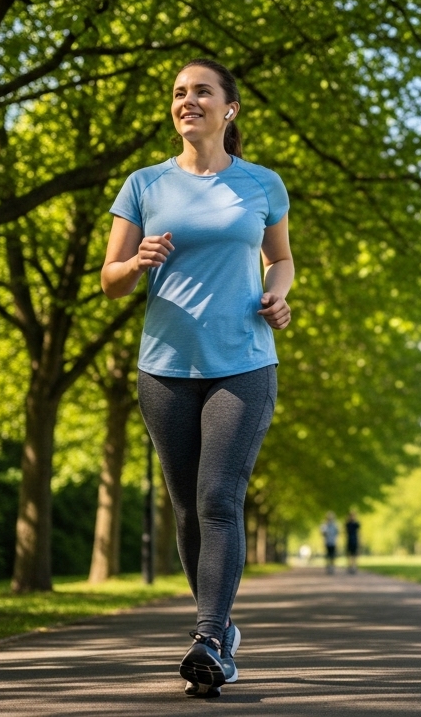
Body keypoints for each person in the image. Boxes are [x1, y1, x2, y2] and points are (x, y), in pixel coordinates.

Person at [100, 58, 293, 698]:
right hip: (165, 368)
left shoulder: (261, 183)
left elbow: (282, 259)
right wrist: (137, 261)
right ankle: (220, 629)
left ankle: (209, 639)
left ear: (228, 108)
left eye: (201, 91)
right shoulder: (144, 185)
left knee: (218, 498)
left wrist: (278, 295)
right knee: (186, 509)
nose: (188, 101)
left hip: (243, 361)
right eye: (179, 93)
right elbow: (109, 279)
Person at [345, 509, 361, 574]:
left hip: (355, 540)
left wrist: (360, 541)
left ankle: (354, 566)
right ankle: (350, 566)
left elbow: (359, 533)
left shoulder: (356, 524)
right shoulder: (347, 524)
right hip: (349, 540)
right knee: (349, 554)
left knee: (354, 554)